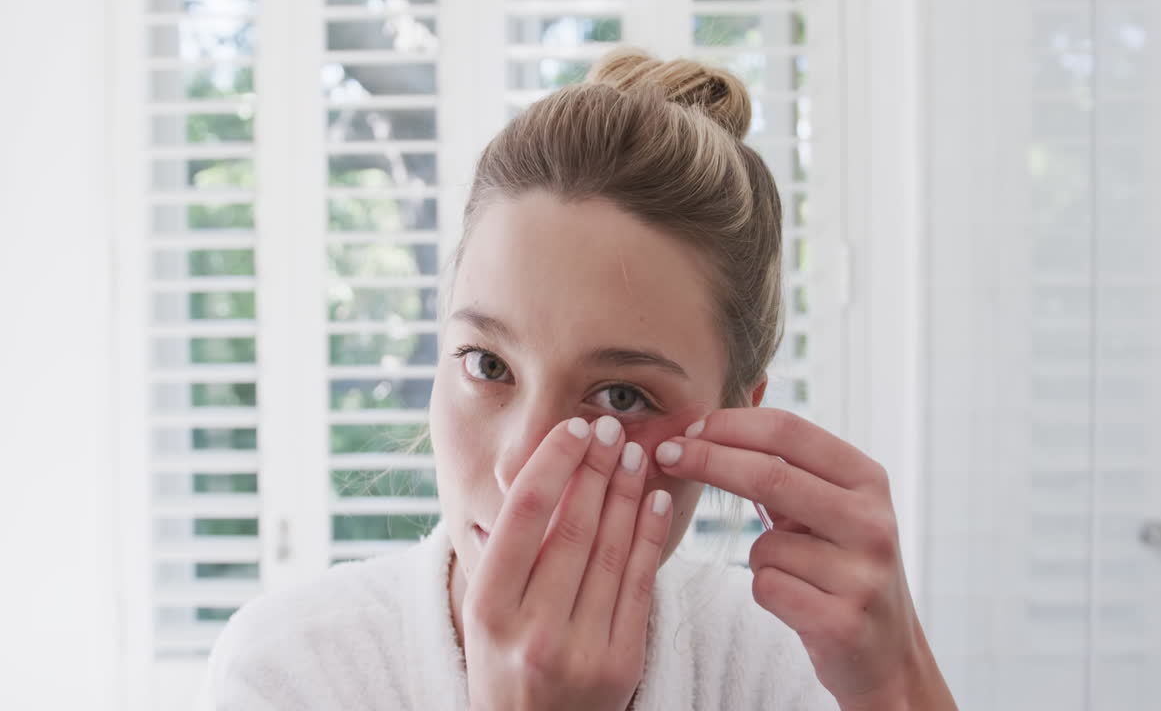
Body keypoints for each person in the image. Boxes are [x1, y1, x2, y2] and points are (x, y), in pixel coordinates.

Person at [198, 47, 958, 710]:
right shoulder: (289, 672)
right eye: (487, 365)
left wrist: (896, 681)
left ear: (740, 418)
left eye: (621, 398)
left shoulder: (788, 669)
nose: (520, 461)